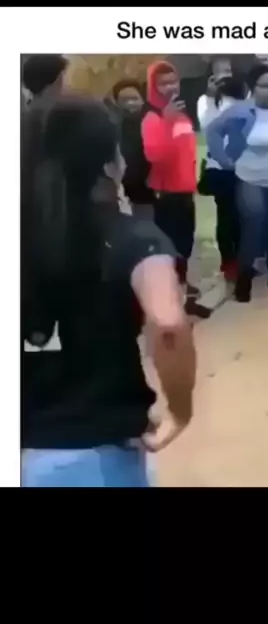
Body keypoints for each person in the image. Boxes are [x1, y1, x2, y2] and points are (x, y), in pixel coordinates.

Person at [21, 96, 196, 486]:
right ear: (108, 164)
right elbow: (168, 324)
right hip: (90, 454)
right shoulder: (132, 237)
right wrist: (179, 411)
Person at [207, 64, 268, 302]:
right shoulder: (240, 110)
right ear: (253, 87)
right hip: (250, 177)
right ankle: (244, 284)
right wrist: (224, 159)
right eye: (263, 86)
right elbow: (213, 131)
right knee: (253, 225)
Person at [143, 60, 211, 318]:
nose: (170, 87)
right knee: (168, 254)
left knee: (185, 251)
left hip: (185, 195)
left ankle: (184, 301)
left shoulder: (182, 115)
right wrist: (167, 121)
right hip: (167, 197)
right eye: (163, 83)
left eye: (173, 81)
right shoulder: (152, 118)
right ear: (153, 87)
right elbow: (155, 156)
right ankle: (170, 307)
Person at [198, 74, 246, 281]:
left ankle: (230, 262)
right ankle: (237, 261)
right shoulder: (243, 109)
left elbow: (206, 124)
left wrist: (210, 97)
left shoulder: (214, 108)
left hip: (220, 170)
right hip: (239, 171)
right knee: (238, 218)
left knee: (226, 217)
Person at [109, 79, 155, 219]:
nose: (130, 103)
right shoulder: (113, 126)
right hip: (127, 188)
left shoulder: (154, 122)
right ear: (117, 103)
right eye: (124, 100)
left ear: (142, 99)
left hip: (154, 186)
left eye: (134, 98)